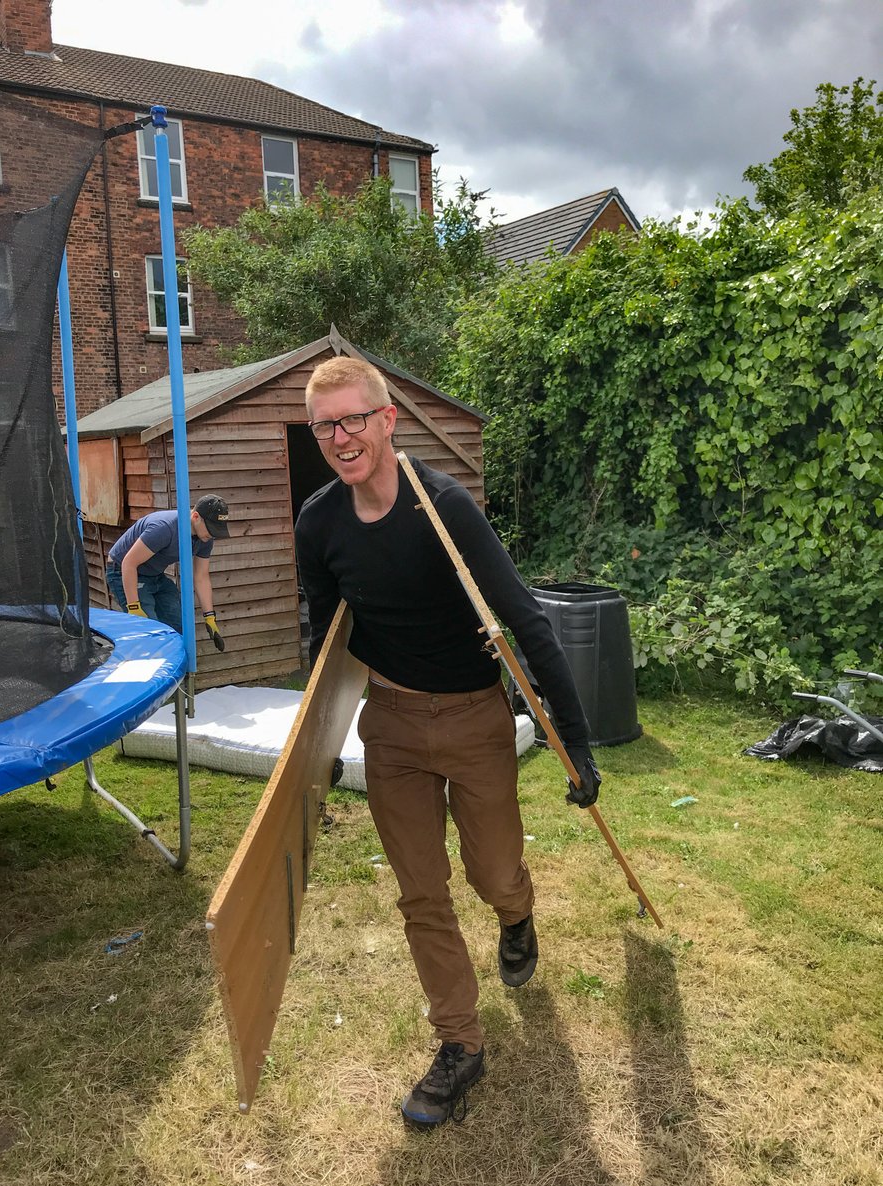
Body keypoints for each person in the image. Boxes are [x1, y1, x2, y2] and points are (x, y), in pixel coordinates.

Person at [294, 358, 600, 1131]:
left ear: (387, 419)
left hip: (473, 717)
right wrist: (315, 751)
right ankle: (460, 1043)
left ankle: (516, 913)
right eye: (324, 425)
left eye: (353, 418)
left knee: (492, 869)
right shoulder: (319, 524)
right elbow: (324, 646)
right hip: (391, 724)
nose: (340, 437)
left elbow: (524, 619)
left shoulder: (444, 506)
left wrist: (575, 738)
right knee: (421, 893)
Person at [106, 494, 230, 650]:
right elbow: (129, 563)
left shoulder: (205, 538)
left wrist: (209, 617)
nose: (212, 534)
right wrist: (134, 608)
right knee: (150, 631)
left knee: (179, 625)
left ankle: (177, 672)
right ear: (196, 516)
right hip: (123, 571)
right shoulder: (164, 528)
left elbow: (201, 577)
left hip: (154, 574)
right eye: (211, 529)